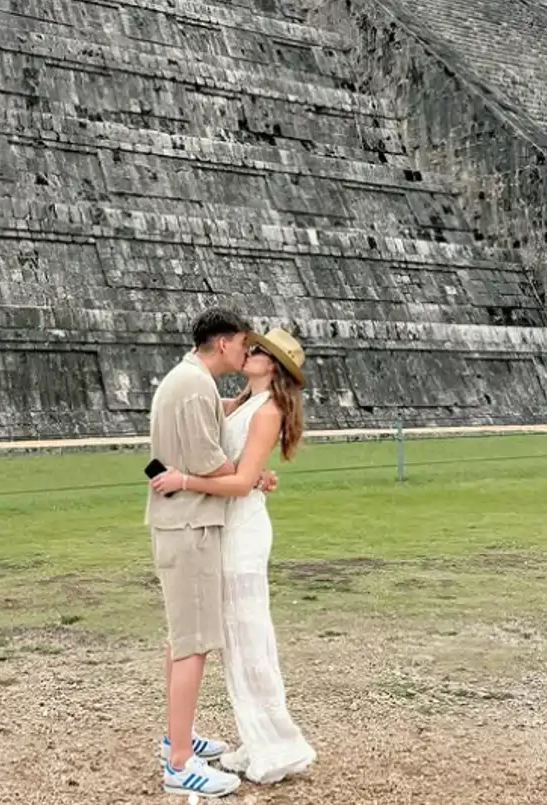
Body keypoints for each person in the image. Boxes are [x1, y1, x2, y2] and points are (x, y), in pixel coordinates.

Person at [150, 327, 316, 786]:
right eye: (251, 346)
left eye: (260, 351)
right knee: (231, 639)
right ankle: (246, 736)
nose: (251, 352)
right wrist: (252, 474)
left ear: (274, 367)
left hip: (240, 530)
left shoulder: (269, 410)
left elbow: (239, 482)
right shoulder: (240, 402)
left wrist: (184, 480)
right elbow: (207, 440)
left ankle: (273, 740)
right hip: (223, 526)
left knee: (248, 636)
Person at [146, 306, 257, 798]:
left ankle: (178, 736)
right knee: (192, 643)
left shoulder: (190, 381)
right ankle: (178, 762)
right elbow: (208, 460)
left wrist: (238, 403)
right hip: (190, 525)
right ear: (222, 342)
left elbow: (193, 436)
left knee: (181, 639)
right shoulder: (192, 386)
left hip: (182, 522)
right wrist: (249, 477)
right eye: (242, 343)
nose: (246, 351)